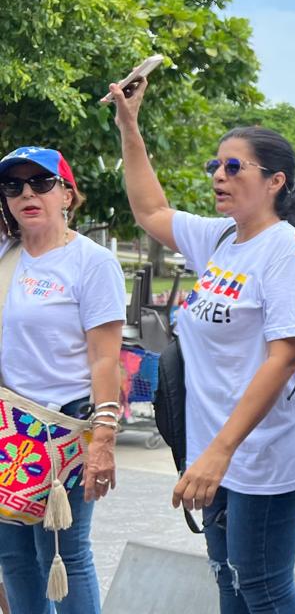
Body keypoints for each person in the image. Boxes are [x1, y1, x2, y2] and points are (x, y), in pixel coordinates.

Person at [110, 80, 295, 614]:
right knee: (229, 581)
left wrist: (222, 453)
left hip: (263, 453)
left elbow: (285, 356)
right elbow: (150, 210)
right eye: (216, 166)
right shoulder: (223, 238)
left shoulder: (285, 251)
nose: (219, 176)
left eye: (235, 168)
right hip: (214, 450)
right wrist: (129, 128)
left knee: (264, 586)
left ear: (276, 181)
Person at [0, 147, 124, 614]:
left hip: (66, 430)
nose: (27, 193)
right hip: (8, 430)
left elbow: (106, 359)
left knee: (64, 554)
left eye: (41, 183)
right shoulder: (6, 255)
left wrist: (105, 437)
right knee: (13, 558)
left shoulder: (91, 262)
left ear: (67, 193)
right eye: (13, 186)